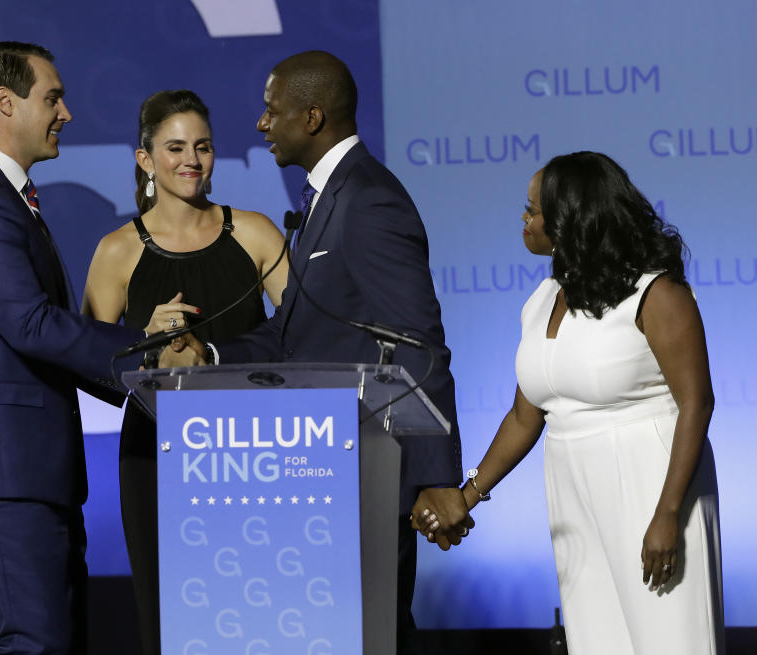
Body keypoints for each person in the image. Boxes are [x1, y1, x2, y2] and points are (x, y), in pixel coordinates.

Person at [164, 51, 465, 654]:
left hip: (370, 469)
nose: (260, 124)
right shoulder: (326, 200)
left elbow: (418, 341)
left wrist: (435, 476)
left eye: (271, 111)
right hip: (329, 471)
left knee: (375, 633)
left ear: (313, 116)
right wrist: (208, 353)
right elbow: (291, 335)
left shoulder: (370, 201)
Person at [0, 42, 177, 655]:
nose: (66, 114)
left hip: (24, 468)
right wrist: (148, 355)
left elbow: (42, 334)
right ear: (5, 103)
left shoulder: (1, 197)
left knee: (54, 641)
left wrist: (147, 373)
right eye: (52, 98)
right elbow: (32, 325)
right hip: (0, 468)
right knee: (37, 643)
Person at [418, 151, 724, 655]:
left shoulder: (656, 294)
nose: (524, 218)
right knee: (597, 639)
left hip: (653, 483)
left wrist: (668, 513)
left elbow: (697, 402)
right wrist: (467, 495)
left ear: (571, 219)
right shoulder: (542, 299)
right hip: (572, 491)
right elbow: (525, 415)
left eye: (534, 209)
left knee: (671, 639)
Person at [81, 89, 288, 655]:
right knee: (170, 621)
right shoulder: (117, 251)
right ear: (145, 159)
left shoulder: (257, 234)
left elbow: (305, 341)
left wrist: (215, 356)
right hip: (157, 456)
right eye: (174, 148)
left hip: (252, 451)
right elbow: (92, 372)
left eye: (203, 146)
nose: (190, 160)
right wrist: (145, 345)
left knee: (261, 613)